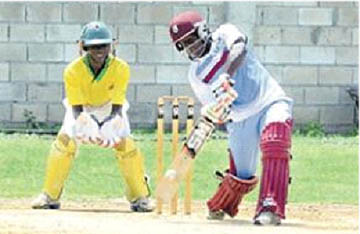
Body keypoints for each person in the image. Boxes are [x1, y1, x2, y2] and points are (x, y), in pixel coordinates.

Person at [168, 11, 293, 225]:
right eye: (184, 44)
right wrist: (218, 109)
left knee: (275, 140)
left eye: (191, 39)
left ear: (203, 30)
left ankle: (270, 208)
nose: (191, 46)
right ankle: (221, 203)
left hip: (269, 99)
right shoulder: (196, 74)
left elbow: (240, 48)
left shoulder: (225, 33)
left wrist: (227, 74)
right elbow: (215, 108)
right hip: (240, 117)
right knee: (242, 176)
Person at [31, 21, 153, 212]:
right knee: (64, 141)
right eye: (94, 46)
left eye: (103, 45)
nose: (99, 51)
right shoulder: (73, 70)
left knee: (125, 144)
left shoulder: (121, 68)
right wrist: (85, 122)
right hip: (82, 108)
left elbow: (118, 105)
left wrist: (112, 122)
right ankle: (50, 195)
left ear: (111, 46)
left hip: (110, 106)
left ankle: (140, 196)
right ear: (84, 47)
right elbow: (76, 108)